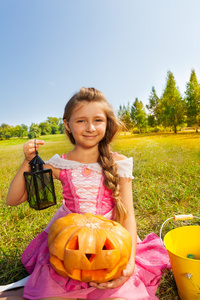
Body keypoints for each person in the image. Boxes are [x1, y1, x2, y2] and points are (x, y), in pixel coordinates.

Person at [2, 88, 170, 300]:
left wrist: (127, 265)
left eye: (98, 120)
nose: (90, 127)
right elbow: (14, 199)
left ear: (107, 123)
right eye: (81, 121)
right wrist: (28, 161)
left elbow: (128, 216)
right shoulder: (60, 164)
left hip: (111, 244)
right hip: (70, 242)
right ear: (67, 125)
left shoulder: (119, 163)